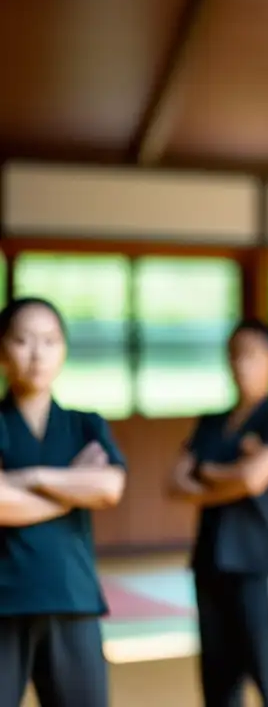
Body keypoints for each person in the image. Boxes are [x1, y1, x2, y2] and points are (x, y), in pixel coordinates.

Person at [167, 318, 268, 707]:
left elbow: (254, 480)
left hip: (260, 564)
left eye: (252, 354)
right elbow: (175, 483)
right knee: (219, 687)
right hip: (211, 563)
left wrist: (205, 471)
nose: (241, 364)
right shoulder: (210, 422)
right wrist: (233, 475)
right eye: (234, 355)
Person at [0, 297, 128, 707]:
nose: (37, 354)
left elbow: (109, 488)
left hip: (72, 599)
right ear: (2, 349)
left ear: (64, 350)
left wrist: (32, 477)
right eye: (23, 340)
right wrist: (72, 489)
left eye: (50, 341)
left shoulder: (85, 423)